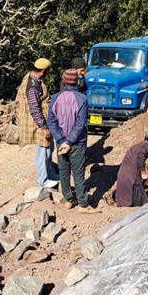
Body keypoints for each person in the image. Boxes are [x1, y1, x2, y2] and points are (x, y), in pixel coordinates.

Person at [48, 69, 100, 214]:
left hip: (61, 143)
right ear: (77, 81)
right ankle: (83, 204)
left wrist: (62, 140)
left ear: (63, 81)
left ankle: (69, 200)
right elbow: (80, 123)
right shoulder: (81, 99)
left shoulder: (55, 98)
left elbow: (51, 123)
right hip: (77, 142)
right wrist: (70, 142)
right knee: (78, 172)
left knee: (64, 171)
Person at [15, 58, 59, 188]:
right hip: (39, 123)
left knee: (49, 148)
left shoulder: (34, 79)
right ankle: (43, 180)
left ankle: (49, 173)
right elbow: (34, 109)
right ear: (44, 70)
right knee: (42, 151)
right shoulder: (33, 87)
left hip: (43, 121)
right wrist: (44, 127)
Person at [116, 128, 148, 207]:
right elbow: (140, 157)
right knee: (143, 202)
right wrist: (143, 173)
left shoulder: (136, 146)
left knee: (125, 197)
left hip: (122, 173)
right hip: (131, 175)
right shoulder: (147, 146)